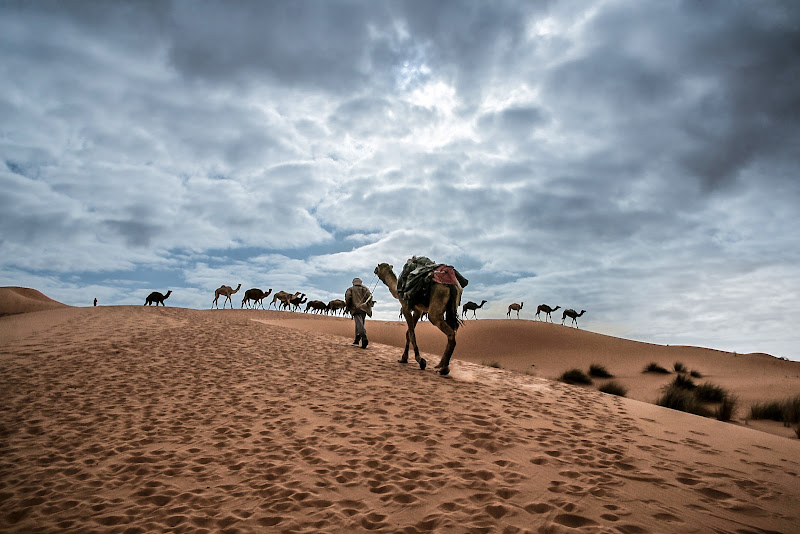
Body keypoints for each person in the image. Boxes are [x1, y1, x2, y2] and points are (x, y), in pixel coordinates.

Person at [345, 277, 373, 349]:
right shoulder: (365, 289)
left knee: (359, 325)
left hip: (355, 308)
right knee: (360, 324)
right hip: (364, 309)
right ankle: (356, 341)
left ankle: (364, 338)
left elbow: (348, 298)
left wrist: (348, 306)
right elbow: (370, 297)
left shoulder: (350, 289)